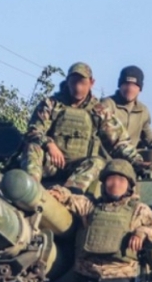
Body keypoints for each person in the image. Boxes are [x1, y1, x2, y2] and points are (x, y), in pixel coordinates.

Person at [21, 62, 145, 192]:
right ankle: (30, 191)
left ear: (92, 83)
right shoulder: (51, 104)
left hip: (79, 169)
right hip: (50, 164)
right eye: (74, 82)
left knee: (98, 162)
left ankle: (67, 195)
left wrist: (138, 162)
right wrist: (49, 144)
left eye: (82, 83)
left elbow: (119, 142)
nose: (78, 87)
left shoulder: (98, 110)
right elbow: (33, 131)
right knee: (32, 147)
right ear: (67, 81)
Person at [101, 65, 152, 149]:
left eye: (134, 85)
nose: (130, 88)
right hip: (107, 155)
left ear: (140, 89)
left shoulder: (142, 110)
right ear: (120, 85)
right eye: (126, 84)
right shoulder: (107, 105)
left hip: (132, 155)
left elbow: (150, 140)